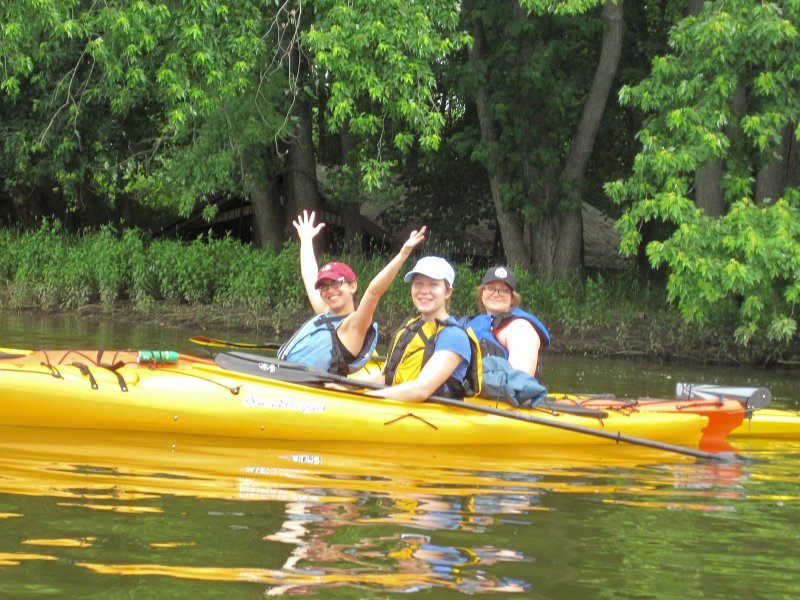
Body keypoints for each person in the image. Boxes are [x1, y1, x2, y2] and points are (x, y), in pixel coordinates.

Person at [279, 210, 426, 375]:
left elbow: (374, 291)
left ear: (352, 287)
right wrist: (306, 239)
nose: (330, 291)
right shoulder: (325, 311)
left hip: (313, 391)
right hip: (288, 378)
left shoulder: (355, 326)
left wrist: (403, 253)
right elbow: (309, 274)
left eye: (335, 283)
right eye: (324, 286)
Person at [359, 256, 478, 403]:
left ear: (447, 292)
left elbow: (421, 389)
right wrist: (347, 389)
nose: (424, 291)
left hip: (429, 417)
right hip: (397, 407)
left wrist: (364, 398)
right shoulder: (410, 325)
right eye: (418, 284)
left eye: (433, 285)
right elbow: (385, 377)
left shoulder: (453, 336)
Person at [461, 265, 550, 407]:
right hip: (468, 398)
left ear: (512, 298)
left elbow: (518, 383)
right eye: (490, 288)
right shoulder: (469, 324)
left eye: (504, 290)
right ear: (482, 293)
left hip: (504, 405)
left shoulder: (521, 327)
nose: (496, 294)